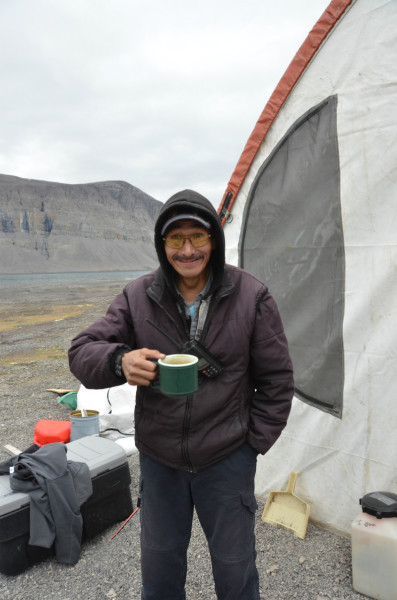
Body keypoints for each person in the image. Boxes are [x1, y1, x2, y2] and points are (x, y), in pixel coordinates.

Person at [68, 189, 294, 600]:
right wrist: (121, 361)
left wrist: (250, 446)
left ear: (214, 240)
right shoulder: (138, 297)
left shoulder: (251, 296)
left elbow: (278, 380)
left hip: (226, 461)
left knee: (235, 570)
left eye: (198, 237)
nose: (187, 250)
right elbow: (81, 352)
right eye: (176, 239)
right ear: (162, 243)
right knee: (160, 569)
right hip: (160, 462)